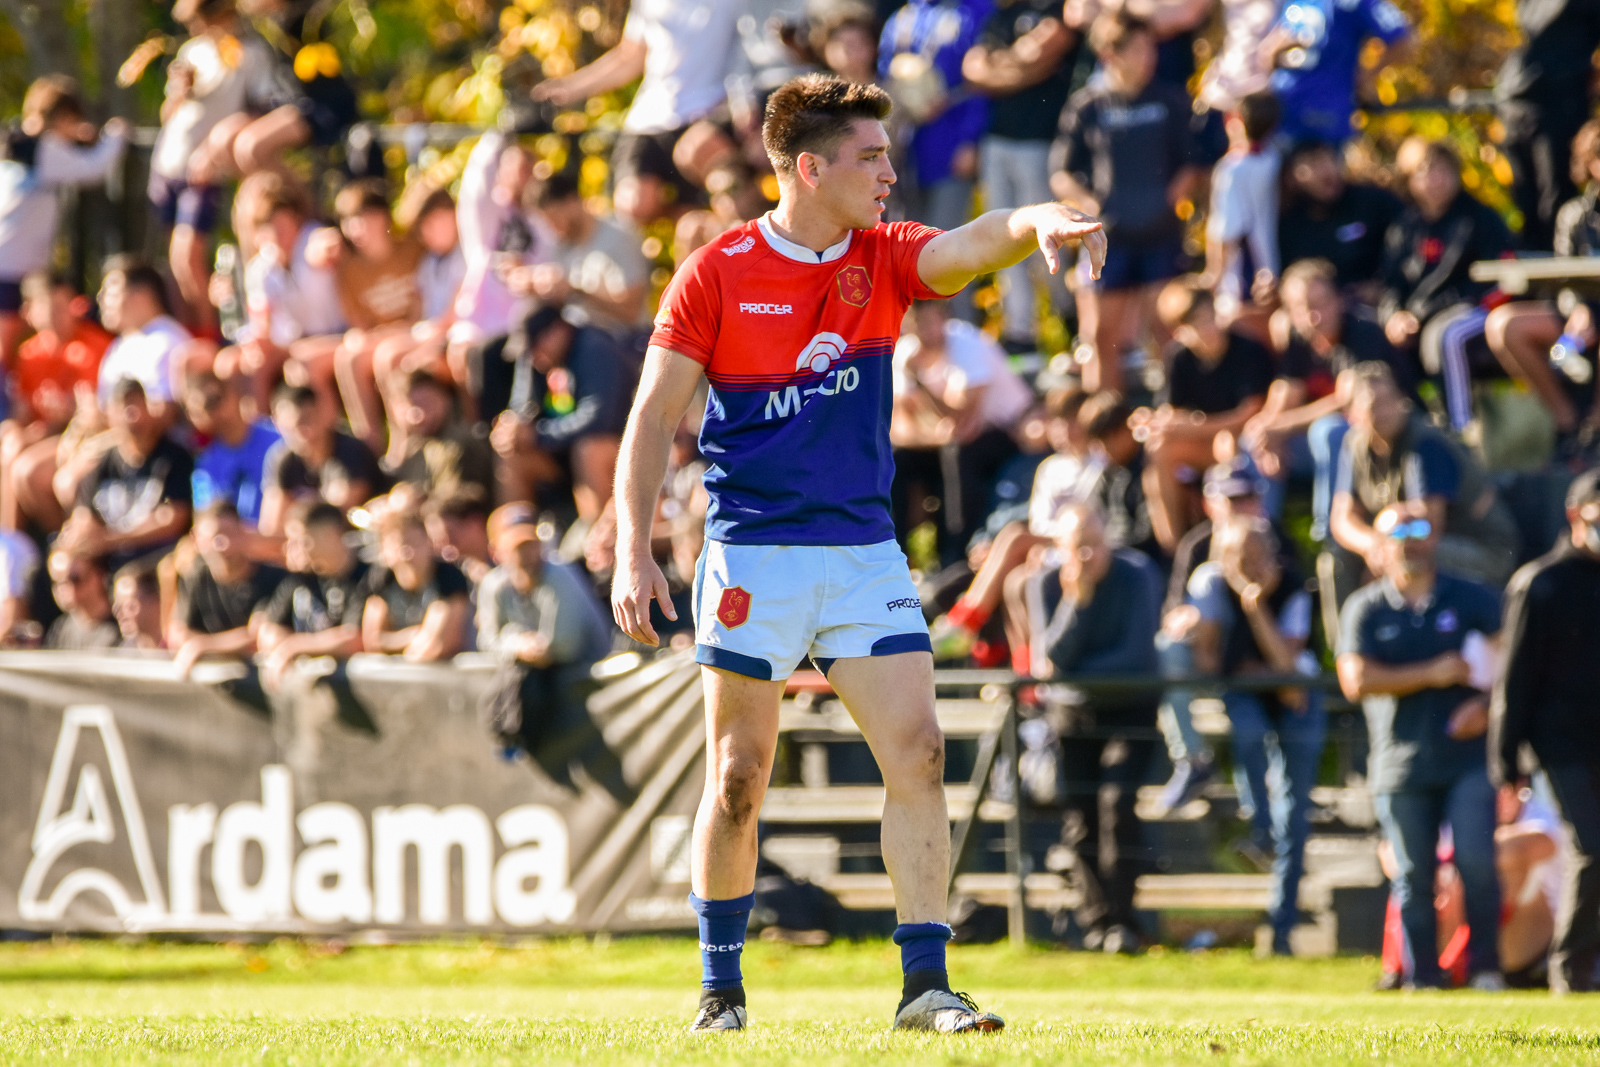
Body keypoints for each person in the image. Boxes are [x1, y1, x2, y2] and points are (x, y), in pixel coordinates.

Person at [609, 74, 1105, 1032]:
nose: (888, 174)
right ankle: (721, 989)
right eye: (870, 157)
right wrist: (635, 549)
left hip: (864, 551)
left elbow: (973, 244)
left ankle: (926, 986)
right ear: (809, 167)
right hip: (754, 553)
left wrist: (1037, 215)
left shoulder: (884, 256)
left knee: (918, 754)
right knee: (738, 776)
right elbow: (651, 417)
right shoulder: (714, 272)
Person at [1338, 499, 1506, 990]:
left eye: (1420, 528)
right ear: (1380, 546)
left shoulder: (1473, 597)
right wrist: (1430, 674)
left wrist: (1486, 706)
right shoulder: (1365, 608)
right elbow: (1356, 679)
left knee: (1476, 862)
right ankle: (1421, 975)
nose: (1410, 540)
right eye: (1398, 531)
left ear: (1436, 537)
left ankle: (1487, 969)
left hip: (1468, 759)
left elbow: (1515, 664)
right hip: (1399, 761)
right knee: (1413, 874)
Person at [1023, 502, 1162, 954]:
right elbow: (1053, 657)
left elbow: (1137, 657)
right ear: (1059, 549)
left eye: (1094, 545)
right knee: (1079, 818)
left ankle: (1123, 919)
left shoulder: (1137, 575)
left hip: (1131, 710)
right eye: (1076, 548)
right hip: (1072, 717)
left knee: (1117, 805)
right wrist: (1076, 602)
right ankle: (1098, 922)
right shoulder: (1044, 584)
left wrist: (1071, 673)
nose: (1086, 557)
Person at [1189, 516, 1322, 954]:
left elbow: (1289, 675)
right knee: (1247, 732)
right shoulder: (1210, 586)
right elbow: (1210, 663)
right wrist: (1262, 673)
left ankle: (1280, 933)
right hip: (1253, 700)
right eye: (1235, 556)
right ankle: (1258, 826)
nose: (1245, 564)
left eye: (1255, 554)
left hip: (1297, 705)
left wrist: (1253, 605)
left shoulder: (1294, 589)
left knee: (1295, 818)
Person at [1491, 467, 1600, 992]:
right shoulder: (1541, 583)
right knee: (1591, 848)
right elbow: (1515, 680)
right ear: (1576, 517)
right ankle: (1571, 967)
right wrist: (1505, 760)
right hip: (1561, 745)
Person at [1050, 12, 1199, 394]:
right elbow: (1061, 171)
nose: (1147, 56)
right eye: (1136, 48)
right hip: (1108, 239)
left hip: (1161, 235)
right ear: (1109, 54)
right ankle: (1106, 424)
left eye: (1150, 47)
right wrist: (1087, 205)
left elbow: (1192, 162)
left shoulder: (1170, 100)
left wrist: (1175, 195)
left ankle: (1173, 410)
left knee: (1167, 331)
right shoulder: (1088, 106)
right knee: (1101, 336)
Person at [531, 0, 742, 227]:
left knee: (695, 214)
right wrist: (572, 87)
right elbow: (629, 56)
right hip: (651, 117)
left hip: (706, 113)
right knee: (633, 204)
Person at [1328, 362, 1520, 609]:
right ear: (1352, 414)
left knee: (1410, 556)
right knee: (1337, 558)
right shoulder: (1354, 444)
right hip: (1399, 538)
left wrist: (1384, 549)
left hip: (1480, 549)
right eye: (1374, 405)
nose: (1384, 411)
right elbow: (1341, 519)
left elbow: (1425, 527)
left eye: (1390, 400)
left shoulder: (1425, 443)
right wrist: (1372, 545)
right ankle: (1350, 643)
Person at [1244, 258, 1410, 527]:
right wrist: (1267, 435)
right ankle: (1263, 534)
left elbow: (1348, 402)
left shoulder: (1362, 332)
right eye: (1304, 309)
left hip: (1388, 440)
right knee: (1251, 439)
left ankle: (1331, 539)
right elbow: (1285, 395)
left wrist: (1281, 428)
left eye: (1321, 303)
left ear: (1339, 300)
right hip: (1321, 446)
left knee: (1330, 431)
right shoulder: (1300, 338)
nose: (1314, 316)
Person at [148, 0, 278, 331]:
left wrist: (218, 144)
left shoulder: (248, 53)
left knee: (188, 258)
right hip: (169, 161)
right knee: (174, 264)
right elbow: (168, 115)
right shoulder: (191, 51)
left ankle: (209, 333)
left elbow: (261, 107)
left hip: (203, 167)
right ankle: (188, 331)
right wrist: (179, 92)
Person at [962, 0, 1078, 353]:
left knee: (1048, 240)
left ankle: (1071, 323)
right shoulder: (1001, 16)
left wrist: (1003, 70)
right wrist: (1018, 70)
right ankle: (1020, 333)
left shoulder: (1054, 9)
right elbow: (975, 70)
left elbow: (1042, 54)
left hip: (1040, 143)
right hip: (998, 142)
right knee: (1003, 238)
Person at [1378, 139, 1515, 433]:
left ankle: (1461, 429)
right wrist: (1393, 316)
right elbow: (1391, 284)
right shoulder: (1405, 226)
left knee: (1448, 335)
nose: (1435, 180)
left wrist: (1422, 315)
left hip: (1475, 308)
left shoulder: (1479, 218)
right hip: (1417, 316)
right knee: (1377, 338)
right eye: (1425, 172)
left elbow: (1495, 277)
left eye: (1443, 170)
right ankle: (1417, 425)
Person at [478, 503, 618, 787]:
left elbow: (563, 648)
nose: (528, 555)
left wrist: (519, 646)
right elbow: (487, 640)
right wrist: (517, 643)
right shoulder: (494, 586)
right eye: (518, 547)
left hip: (589, 682)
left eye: (532, 544)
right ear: (497, 552)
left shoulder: (561, 575)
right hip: (542, 684)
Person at [890, 299, 1032, 563]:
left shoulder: (968, 344)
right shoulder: (906, 353)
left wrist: (919, 381)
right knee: (898, 460)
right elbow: (898, 429)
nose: (923, 331)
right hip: (945, 440)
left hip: (1006, 432)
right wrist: (936, 437)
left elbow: (962, 421)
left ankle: (954, 555)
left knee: (959, 455)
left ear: (944, 318)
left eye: (929, 322)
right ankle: (896, 557)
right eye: (916, 323)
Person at [0, 76, 127, 370]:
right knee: (6, 346)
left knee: (15, 343)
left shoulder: (16, 143)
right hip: (15, 265)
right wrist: (116, 136)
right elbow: (92, 169)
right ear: (64, 118)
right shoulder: (45, 149)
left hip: (13, 258)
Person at [1143, 281, 1274, 552]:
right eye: (1197, 322)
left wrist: (1193, 427)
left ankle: (1243, 541)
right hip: (1204, 442)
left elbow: (1249, 414)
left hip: (1244, 440)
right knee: (1159, 451)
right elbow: (1171, 413)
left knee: (1225, 444)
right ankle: (1177, 549)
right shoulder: (1178, 358)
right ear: (1180, 331)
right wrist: (1154, 422)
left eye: (1210, 316)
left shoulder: (1247, 349)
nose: (1209, 327)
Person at [491, 306, 637, 528]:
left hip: (617, 451)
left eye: (535, 347)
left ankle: (598, 539)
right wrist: (511, 427)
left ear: (558, 331)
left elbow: (599, 420)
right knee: (512, 453)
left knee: (588, 450)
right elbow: (522, 405)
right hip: (561, 452)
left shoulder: (596, 349)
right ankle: (518, 543)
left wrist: (538, 435)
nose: (533, 356)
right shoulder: (536, 358)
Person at [1, 273, 113, 532]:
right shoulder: (29, 353)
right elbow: (22, 410)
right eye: (50, 308)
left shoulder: (94, 346)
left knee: (28, 472)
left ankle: (60, 539)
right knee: (9, 443)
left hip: (83, 437)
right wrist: (19, 432)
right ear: (30, 312)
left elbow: (93, 414)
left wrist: (65, 413)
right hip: (49, 435)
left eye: (64, 307)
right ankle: (10, 542)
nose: (58, 316)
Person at [879, 0, 992, 240]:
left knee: (947, 240)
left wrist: (971, 139)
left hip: (951, 143)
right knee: (908, 241)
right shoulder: (902, 17)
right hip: (904, 151)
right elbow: (885, 75)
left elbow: (982, 82)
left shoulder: (974, 10)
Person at [328, 180, 427, 449]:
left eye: (362, 219)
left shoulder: (413, 250)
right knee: (348, 358)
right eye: (349, 221)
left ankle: (401, 444)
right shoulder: (348, 271)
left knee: (387, 357)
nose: (355, 229)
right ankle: (369, 444)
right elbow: (361, 324)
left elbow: (423, 306)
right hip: (382, 337)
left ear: (382, 216)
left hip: (419, 332)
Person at [1494, 0, 1600, 250]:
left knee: (1554, 198)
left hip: (1561, 99)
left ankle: (1558, 274)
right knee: (1526, 204)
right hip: (1515, 99)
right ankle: (1538, 278)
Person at [60, 379, 194, 573]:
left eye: (138, 404)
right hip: (110, 564)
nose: (133, 415)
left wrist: (111, 540)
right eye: (125, 407)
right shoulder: (102, 464)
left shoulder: (174, 458)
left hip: (157, 561)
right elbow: (84, 516)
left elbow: (175, 518)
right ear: (110, 415)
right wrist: (80, 537)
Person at [517, 171, 651, 340]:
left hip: (624, 340)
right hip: (579, 336)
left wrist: (576, 292)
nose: (552, 228)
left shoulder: (618, 238)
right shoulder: (562, 245)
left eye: (554, 218)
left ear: (572, 201)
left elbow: (631, 312)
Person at [1259, 0, 1411, 145]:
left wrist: (1365, 76)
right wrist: (1273, 52)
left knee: (1321, 169)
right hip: (1283, 115)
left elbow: (1402, 39)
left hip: (1326, 119)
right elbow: (1268, 53)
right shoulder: (1296, 2)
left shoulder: (1354, 3)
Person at [256, 501, 369, 687]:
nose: (292, 549)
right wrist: (286, 645)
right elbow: (267, 632)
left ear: (332, 534)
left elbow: (354, 639)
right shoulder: (300, 576)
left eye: (302, 541)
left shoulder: (365, 576)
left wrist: (295, 647)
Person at [168, 500, 285, 677]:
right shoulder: (195, 578)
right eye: (215, 536)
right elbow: (178, 634)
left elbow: (257, 637)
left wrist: (201, 646)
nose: (223, 544)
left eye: (230, 534)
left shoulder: (274, 579)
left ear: (244, 534)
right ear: (197, 539)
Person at [1276, 140, 1404, 298]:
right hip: (1316, 312)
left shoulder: (1372, 202)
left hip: (1376, 306)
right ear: (1293, 177)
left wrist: (1383, 285)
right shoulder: (1291, 225)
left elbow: (1407, 242)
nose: (1326, 170)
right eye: (1313, 164)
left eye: (1329, 159)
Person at [258, 383, 384, 537]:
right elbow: (271, 526)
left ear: (323, 414)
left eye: (307, 420)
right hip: (308, 542)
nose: (304, 432)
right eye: (293, 426)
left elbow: (335, 519)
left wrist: (294, 515)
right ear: (277, 423)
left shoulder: (351, 451)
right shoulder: (282, 458)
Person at [1204, 90, 1280, 320]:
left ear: (1233, 120)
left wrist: (1213, 276)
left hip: (1243, 273)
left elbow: (1227, 230)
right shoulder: (1274, 158)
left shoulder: (1230, 169)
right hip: (1271, 262)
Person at [361, 506, 471, 663]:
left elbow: (435, 646)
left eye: (415, 543)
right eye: (401, 545)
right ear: (384, 549)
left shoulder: (448, 578)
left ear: (429, 545)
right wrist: (410, 636)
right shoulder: (381, 578)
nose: (408, 553)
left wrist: (391, 644)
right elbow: (372, 642)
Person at [95, 257, 193, 412]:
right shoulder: (119, 345)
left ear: (142, 294)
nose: (102, 300)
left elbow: (166, 413)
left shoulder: (170, 341)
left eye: (111, 293)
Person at [185, 371, 282, 529]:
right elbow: (206, 519)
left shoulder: (278, 438)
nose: (211, 412)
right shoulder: (206, 466)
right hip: (233, 546)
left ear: (234, 394)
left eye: (214, 400)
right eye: (200, 409)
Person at [385, 370, 495, 505]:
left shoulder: (459, 444)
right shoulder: (414, 447)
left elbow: (458, 506)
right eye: (410, 405)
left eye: (426, 403)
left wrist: (412, 505)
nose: (418, 414)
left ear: (445, 399)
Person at [42, 549, 117, 651]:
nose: (62, 588)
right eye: (56, 581)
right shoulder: (60, 628)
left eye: (74, 579)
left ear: (100, 576)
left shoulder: (123, 626)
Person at [112, 562, 164, 650]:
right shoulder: (124, 654)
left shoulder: (178, 647)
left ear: (156, 603)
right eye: (118, 607)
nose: (120, 614)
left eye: (130, 606)